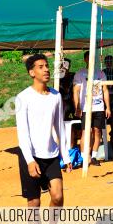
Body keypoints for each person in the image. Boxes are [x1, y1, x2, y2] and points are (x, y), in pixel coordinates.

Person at [15, 54, 71, 211]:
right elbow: (23, 132)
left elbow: (60, 127)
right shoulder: (23, 97)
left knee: (58, 196)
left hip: (51, 155)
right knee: (34, 203)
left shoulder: (56, 96)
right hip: (30, 156)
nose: (46, 69)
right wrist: (29, 161)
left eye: (47, 66)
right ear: (32, 73)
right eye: (41, 67)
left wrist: (65, 155)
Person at [73, 51, 111, 166]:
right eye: (89, 58)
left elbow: (105, 90)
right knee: (86, 131)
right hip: (85, 108)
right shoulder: (80, 73)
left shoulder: (101, 73)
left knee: (97, 131)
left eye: (93, 58)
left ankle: (94, 156)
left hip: (99, 107)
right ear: (85, 59)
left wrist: (107, 107)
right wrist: (78, 107)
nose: (91, 60)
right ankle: (85, 157)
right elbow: (76, 91)